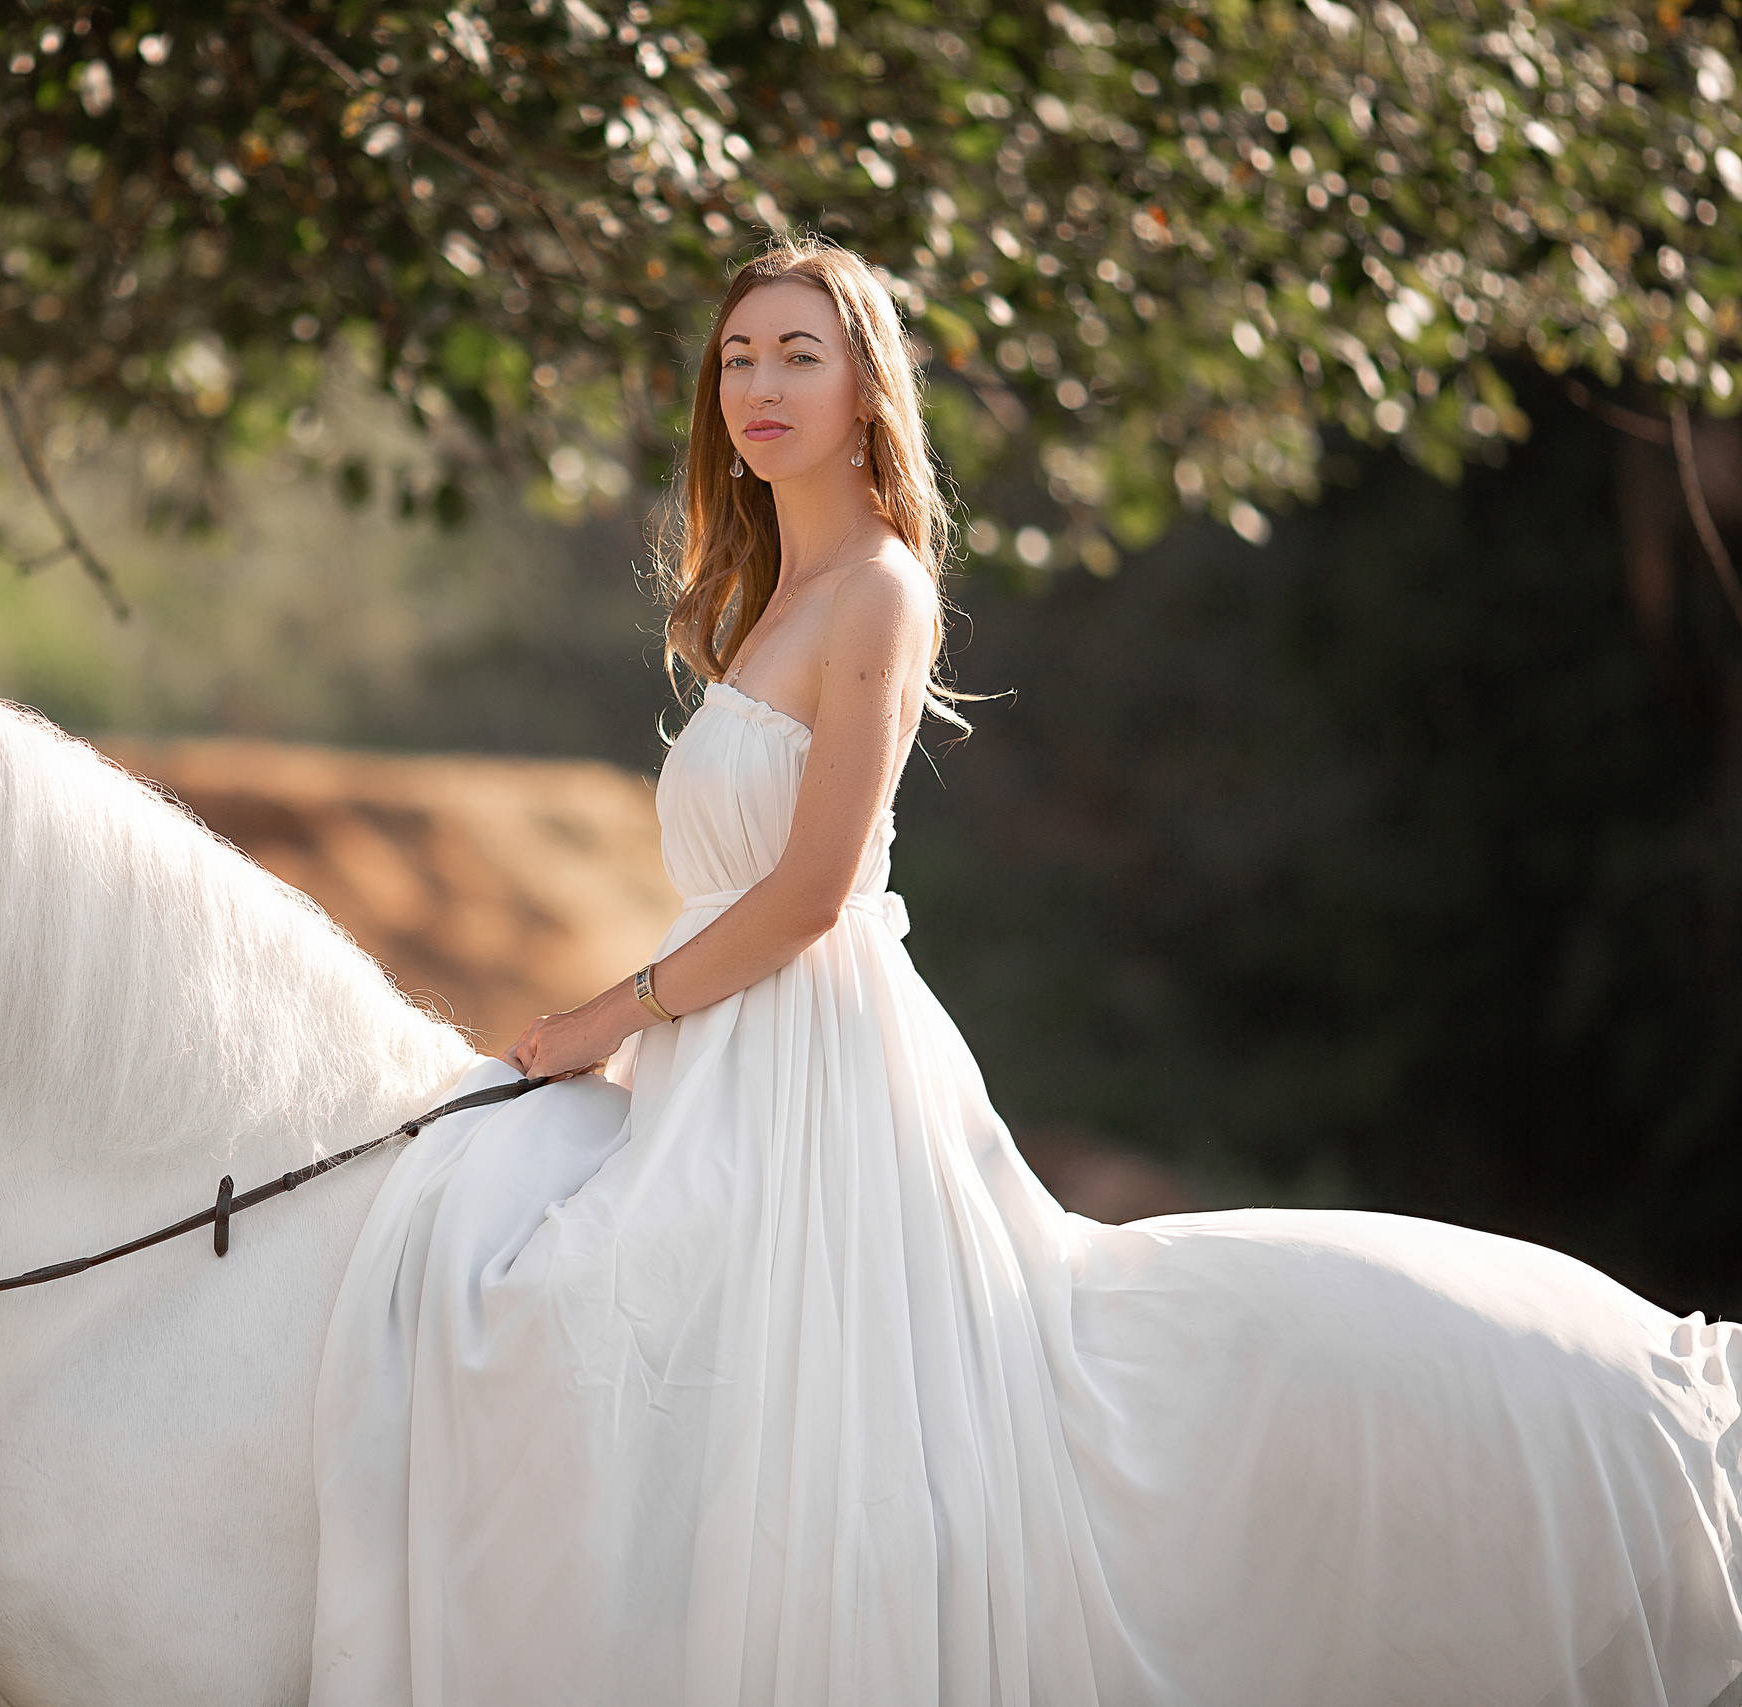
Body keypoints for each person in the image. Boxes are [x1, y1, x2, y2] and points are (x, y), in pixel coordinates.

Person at [308, 237, 1742, 1707]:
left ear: (869, 388)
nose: (761, 384)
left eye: (800, 353)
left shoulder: (875, 589)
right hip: (725, 1046)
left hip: (809, 1051)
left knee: (624, 1353)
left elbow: (810, 891)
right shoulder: (763, 608)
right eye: (739, 357)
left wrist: (604, 1018)